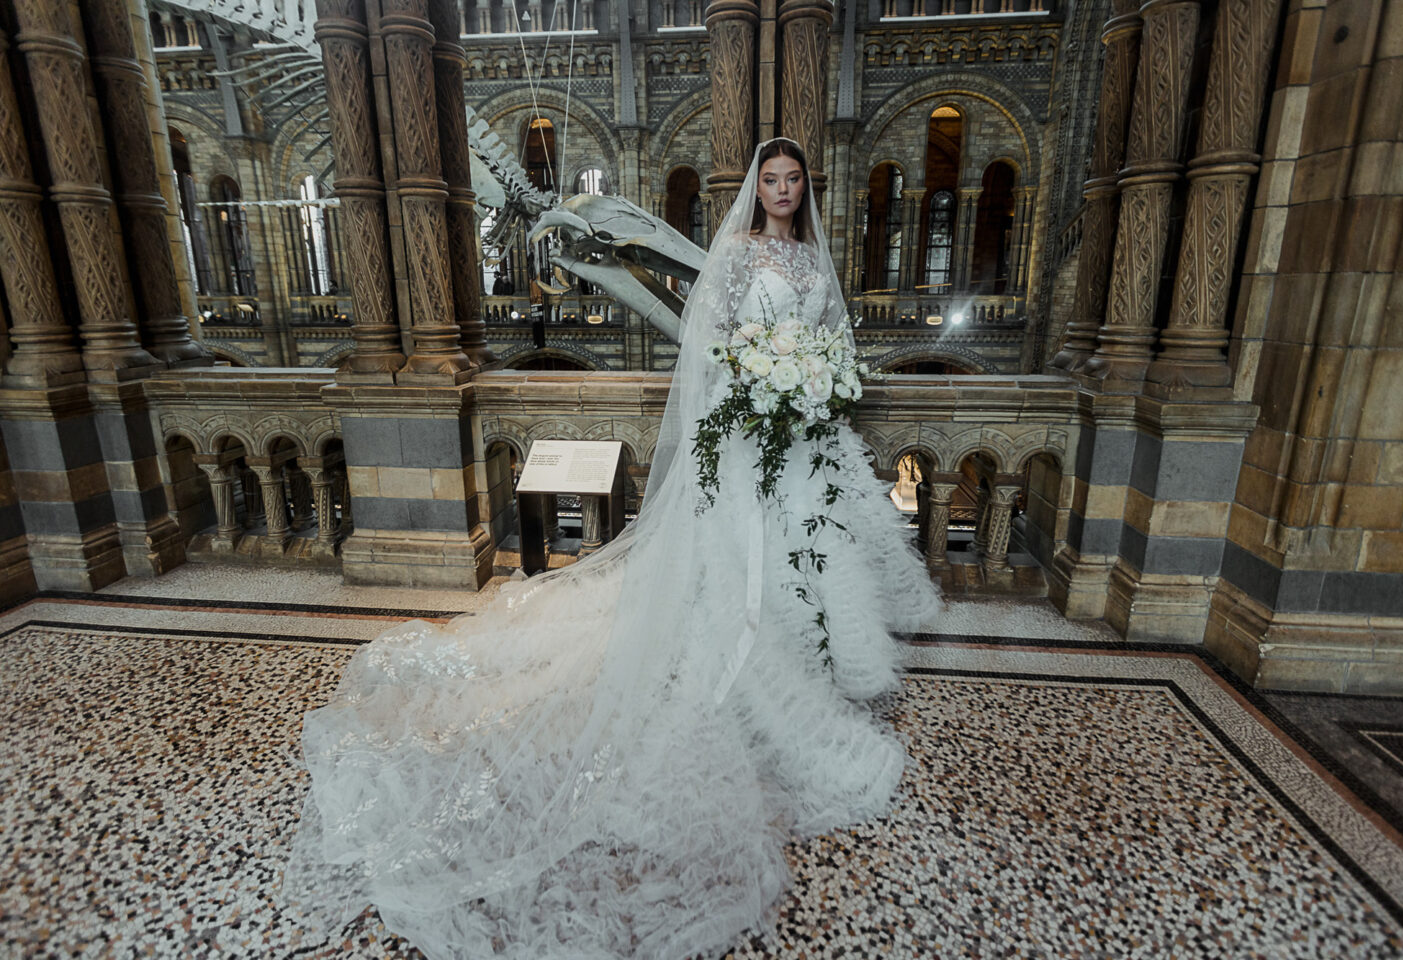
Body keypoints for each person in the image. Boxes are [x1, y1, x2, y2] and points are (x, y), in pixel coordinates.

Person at [284, 138, 941, 960]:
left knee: (804, 557)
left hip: (801, 439)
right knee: (733, 571)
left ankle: (813, 667)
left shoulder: (813, 257)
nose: (780, 190)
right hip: (751, 435)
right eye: (769, 180)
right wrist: (764, 383)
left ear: (806, 187)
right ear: (756, 190)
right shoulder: (735, 256)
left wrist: (814, 379)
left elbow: (834, 340)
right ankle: (740, 677)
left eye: (791, 179)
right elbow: (717, 343)